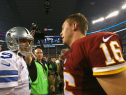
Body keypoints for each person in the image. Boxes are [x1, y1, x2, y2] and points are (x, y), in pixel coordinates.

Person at [60, 13, 126, 95]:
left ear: (74, 26)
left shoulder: (94, 43)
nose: (61, 33)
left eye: (63, 28)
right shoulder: (69, 53)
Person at [0, 26, 35, 95]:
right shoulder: (8, 59)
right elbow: (5, 92)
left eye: (29, 41)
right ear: (11, 43)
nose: (28, 44)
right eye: (23, 41)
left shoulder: (19, 57)